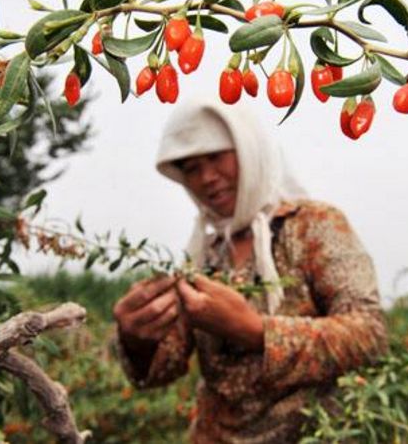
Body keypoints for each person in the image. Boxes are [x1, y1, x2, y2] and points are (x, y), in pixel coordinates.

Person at [113, 98, 388, 443]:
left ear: (250, 149)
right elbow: (162, 368)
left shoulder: (313, 227)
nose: (207, 178)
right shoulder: (203, 257)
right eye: (191, 168)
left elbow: (369, 335)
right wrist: (137, 339)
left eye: (216, 157)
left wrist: (255, 331)